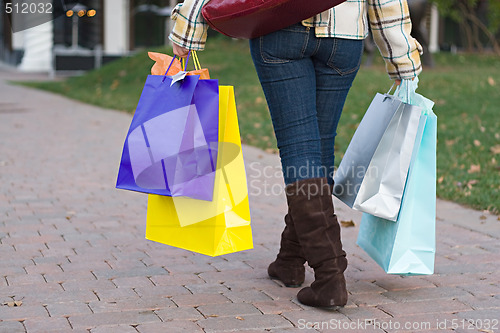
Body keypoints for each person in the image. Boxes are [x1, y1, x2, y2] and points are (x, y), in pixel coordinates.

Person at [169, 0, 422, 308]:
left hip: (279, 27)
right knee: (318, 147)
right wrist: (402, 59)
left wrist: (188, 26)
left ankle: (329, 275)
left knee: (301, 148)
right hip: (343, 37)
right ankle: (290, 259)